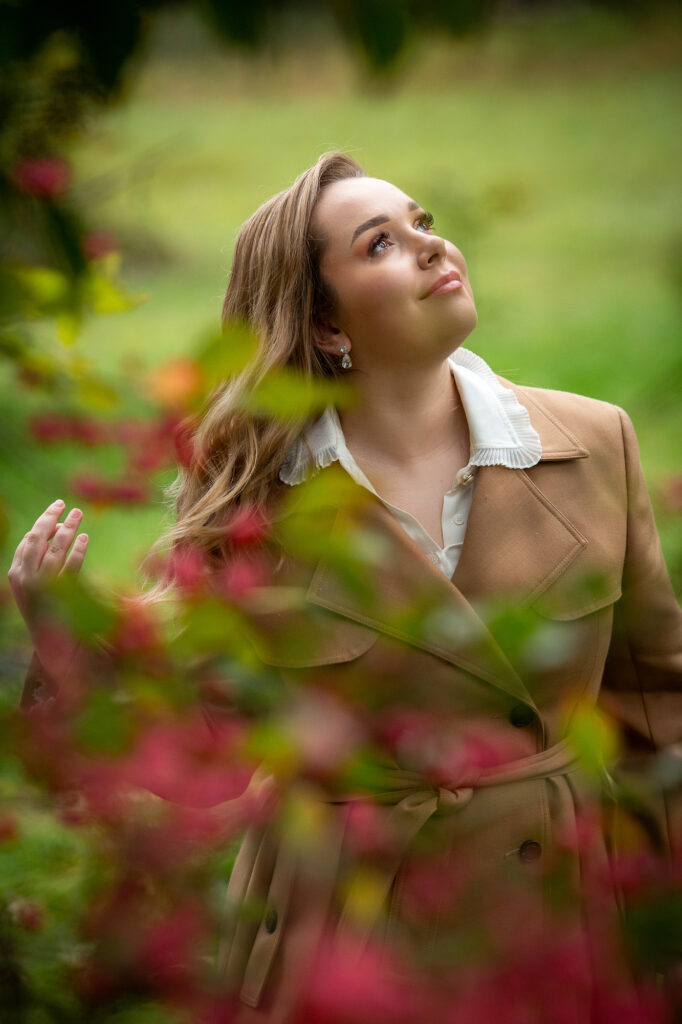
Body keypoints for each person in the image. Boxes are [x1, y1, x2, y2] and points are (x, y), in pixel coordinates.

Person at [9, 152, 682, 1023]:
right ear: (328, 327)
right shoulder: (258, 508)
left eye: (424, 224)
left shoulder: (596, 442)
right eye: (381, 244)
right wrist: (65, 638)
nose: (433, 249)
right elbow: (201, 767)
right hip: (345, 951)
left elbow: (656, 707)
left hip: (561, 927)